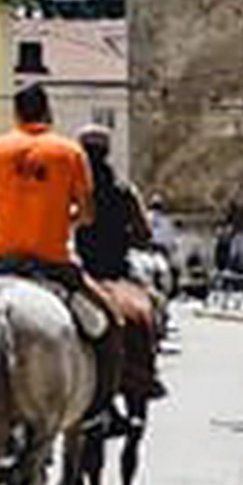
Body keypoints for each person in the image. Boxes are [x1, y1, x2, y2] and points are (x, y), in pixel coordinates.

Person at [0, 85, 121, 420]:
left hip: (2, 262)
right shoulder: (70, 152)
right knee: (111, 321)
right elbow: (87, 214)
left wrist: (4, 221)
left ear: (16, 114)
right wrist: (60, 219)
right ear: (48, 112)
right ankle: (103, 409)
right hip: (53, 264)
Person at [74, 126, 164, 403]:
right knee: (154, 304)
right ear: (107, 152)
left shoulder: (74, 189)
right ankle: (147, 372)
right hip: (117, 270)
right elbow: (144, 232)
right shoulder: (124, 190)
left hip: (82, 269)